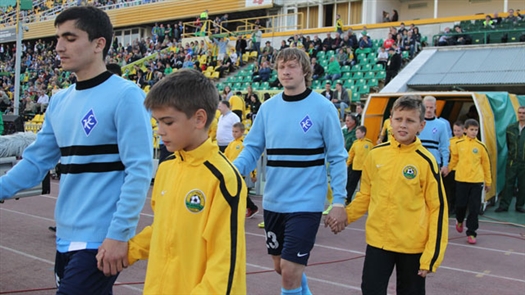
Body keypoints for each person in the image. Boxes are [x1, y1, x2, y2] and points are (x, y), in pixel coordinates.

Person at [0, 6, 153, 294]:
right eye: (58, 38)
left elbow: (139, 170)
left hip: (100, 238)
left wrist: (119, 234)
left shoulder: (127, 95)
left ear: (99, 44)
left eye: (70, 38)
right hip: (66, 234)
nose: (58, 47)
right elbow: (35, 163)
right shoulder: (60, 101)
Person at [115, 68, 247, 294]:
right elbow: (164, 229)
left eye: (167, 122)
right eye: (157, 122)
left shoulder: (223, 178)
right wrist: (128, 250)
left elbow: (225, 266)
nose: (159, 131)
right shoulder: (166, 169)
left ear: (198, 119)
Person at [233, 48, 348, 295]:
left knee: (289, 270)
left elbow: (337, 157)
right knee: (280, 266)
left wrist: (339, 201)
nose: (286, 71)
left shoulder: (323, 107)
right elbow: (252, 148)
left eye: (292, 66)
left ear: (305, 70)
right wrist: (230, 173)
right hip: (274, 201)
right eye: (281, 67)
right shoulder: (267, 108)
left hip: (307, 202)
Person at [329, 95, 448, 294]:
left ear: (421, 125)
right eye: (398, 119)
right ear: (390, 121)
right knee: (371, 290)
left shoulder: (426, 161)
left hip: (411, 246)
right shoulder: (376, 154)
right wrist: (345, 216)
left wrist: (432, 256)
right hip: (378, 242)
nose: (403, 125)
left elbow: (438, 208)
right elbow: (365, 195)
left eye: (410, 121)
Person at [448, 119, 491, 244]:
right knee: (460, 205)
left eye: (476, 130)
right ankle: (459, 219)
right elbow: (454, 160)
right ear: (465, 130)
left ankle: (471, 232)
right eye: (471, 130)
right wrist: (448, 169)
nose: (474, 132)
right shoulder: (458, 144)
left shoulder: (481, 146)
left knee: (474, 208)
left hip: (476, 181)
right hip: (461, 179)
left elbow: (486, 165)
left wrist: (488, 182)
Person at [225, 122, 259, 218]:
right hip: (231, 171)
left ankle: (251, 207)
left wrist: (253, 174)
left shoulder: (244, 144)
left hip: (239, 172)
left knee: (239, 191)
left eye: (236, 131)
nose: (234, 133)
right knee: (238, 192)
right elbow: (225, 156)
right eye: (233, 131)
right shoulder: (231, 144)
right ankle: (251, 207)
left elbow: (250, 159)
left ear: (242, 132)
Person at [496, 106, 525, 213]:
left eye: (524, 113)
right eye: (520, 112)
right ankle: (504, 205)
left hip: (524, 162)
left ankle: (520, 205)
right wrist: (512, 155)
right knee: (508, 183)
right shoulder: (511, 128)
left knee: (523, 185)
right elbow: (509, 144)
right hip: (513, 161)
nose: (521, 115)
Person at [420, 96, 450, 177]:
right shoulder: (416, 122)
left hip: (434, 161)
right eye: (426, 107)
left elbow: (444, 146)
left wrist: (445, 164)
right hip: (417, 160)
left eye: (431, 107)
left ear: (435, 107)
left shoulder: (442, 124)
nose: (429, 110)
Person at [345, 125, 373, 204]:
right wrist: (348, 164)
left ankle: (364, 201)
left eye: (358, 133)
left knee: (365, 185)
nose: (356, 134)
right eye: (356, 133)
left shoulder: (369, 143)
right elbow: (351, 154)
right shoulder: (355, 143)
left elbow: (372, 155)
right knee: (351, 184)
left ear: (363, 133)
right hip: (356, 166)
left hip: (365, 167)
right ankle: (348, 198)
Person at [443, 121, 465, 215]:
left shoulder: (466, 141)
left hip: (462, 169)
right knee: (451, 190)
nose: (456, 132)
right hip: (452, 169)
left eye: (458, 130)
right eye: (454, 130)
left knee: (460, 191)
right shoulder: (450, 141)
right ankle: (450, 207)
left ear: (463, 130)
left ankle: (459, 207)